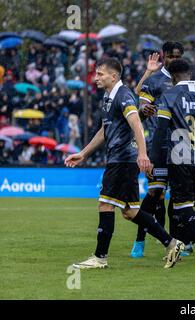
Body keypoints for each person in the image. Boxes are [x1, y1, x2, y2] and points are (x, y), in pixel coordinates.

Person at [65, 58, 184, 269]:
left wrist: (143, 154)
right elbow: (105, 129)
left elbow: (136, 123)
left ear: (114, 76)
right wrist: (83, 153)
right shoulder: (108, 97)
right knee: (129, 212)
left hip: (122, 159)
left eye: (100, 74)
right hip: (120, 159)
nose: (96, 77)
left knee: (105, 204)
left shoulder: (124, 95)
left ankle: (100, 258)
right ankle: (172, 243)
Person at [151, 58, 195, 263]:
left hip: (180, 156)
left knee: (182, 204)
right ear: (189, 73)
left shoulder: (170, 94)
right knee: (191, 202)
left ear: (172, 77)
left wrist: (154, 159)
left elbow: (161, 129)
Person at [131, 42, 183, 258]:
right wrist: (145, 108)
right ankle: (139, 241)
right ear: (163, 56)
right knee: (155, 193)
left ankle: (178, 241)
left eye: (177, 56)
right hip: (158, 145)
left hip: (182, 146)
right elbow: (140, 102)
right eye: (170, 56)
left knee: (181, 197)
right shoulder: (154, 80)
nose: (173, 60)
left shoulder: (185, 80)